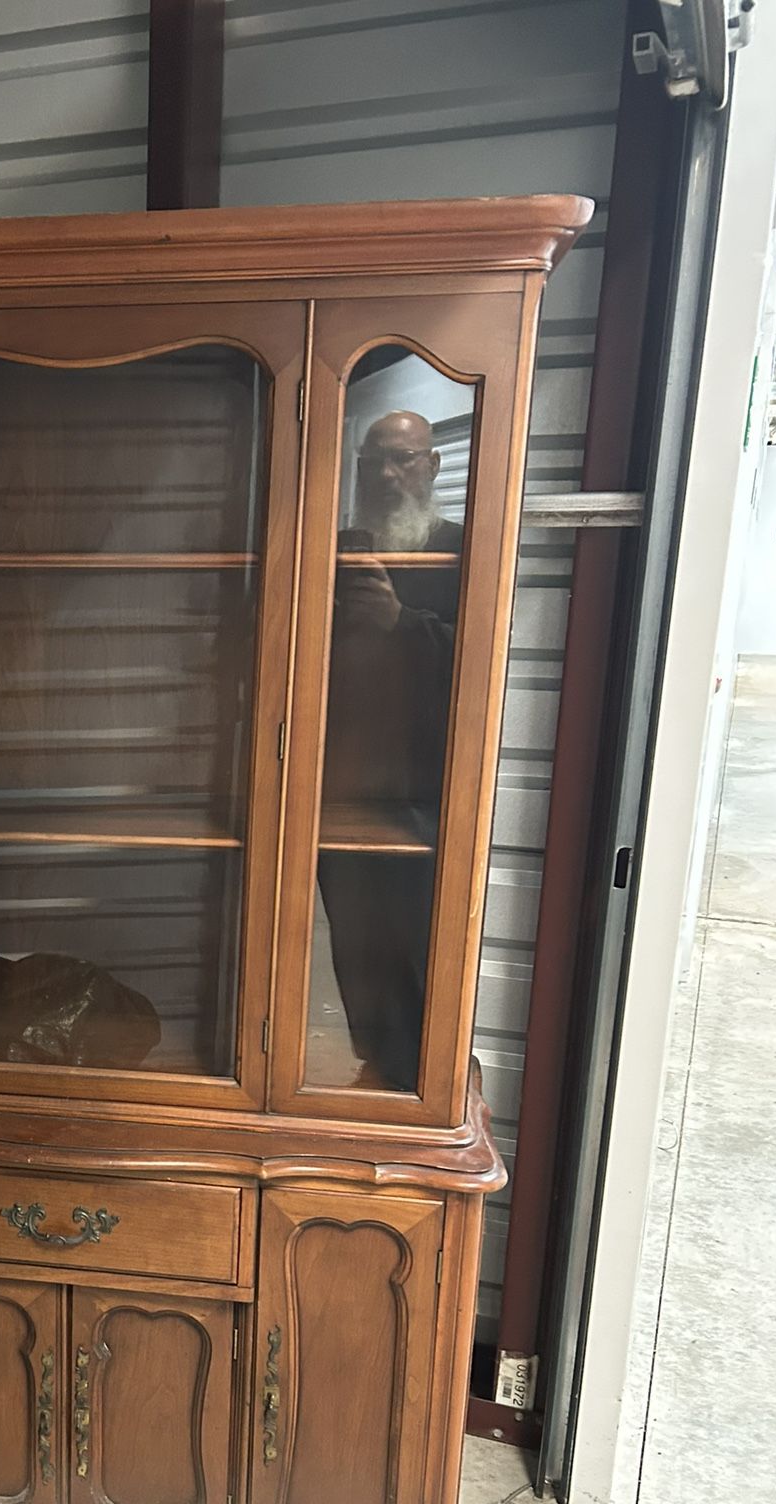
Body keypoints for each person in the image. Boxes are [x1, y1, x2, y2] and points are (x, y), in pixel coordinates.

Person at [317, 409, 464, 1092]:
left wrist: (400, 623)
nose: (384, 474)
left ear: (431, 465)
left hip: (425, 786)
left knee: (419, 937)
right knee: (354, 937)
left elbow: (477, 662)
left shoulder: (462, 549)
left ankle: (418, 1077)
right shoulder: (333, 547)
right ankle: (378, 1065)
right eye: (372, 461)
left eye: (402, 458)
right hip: (335, 779)